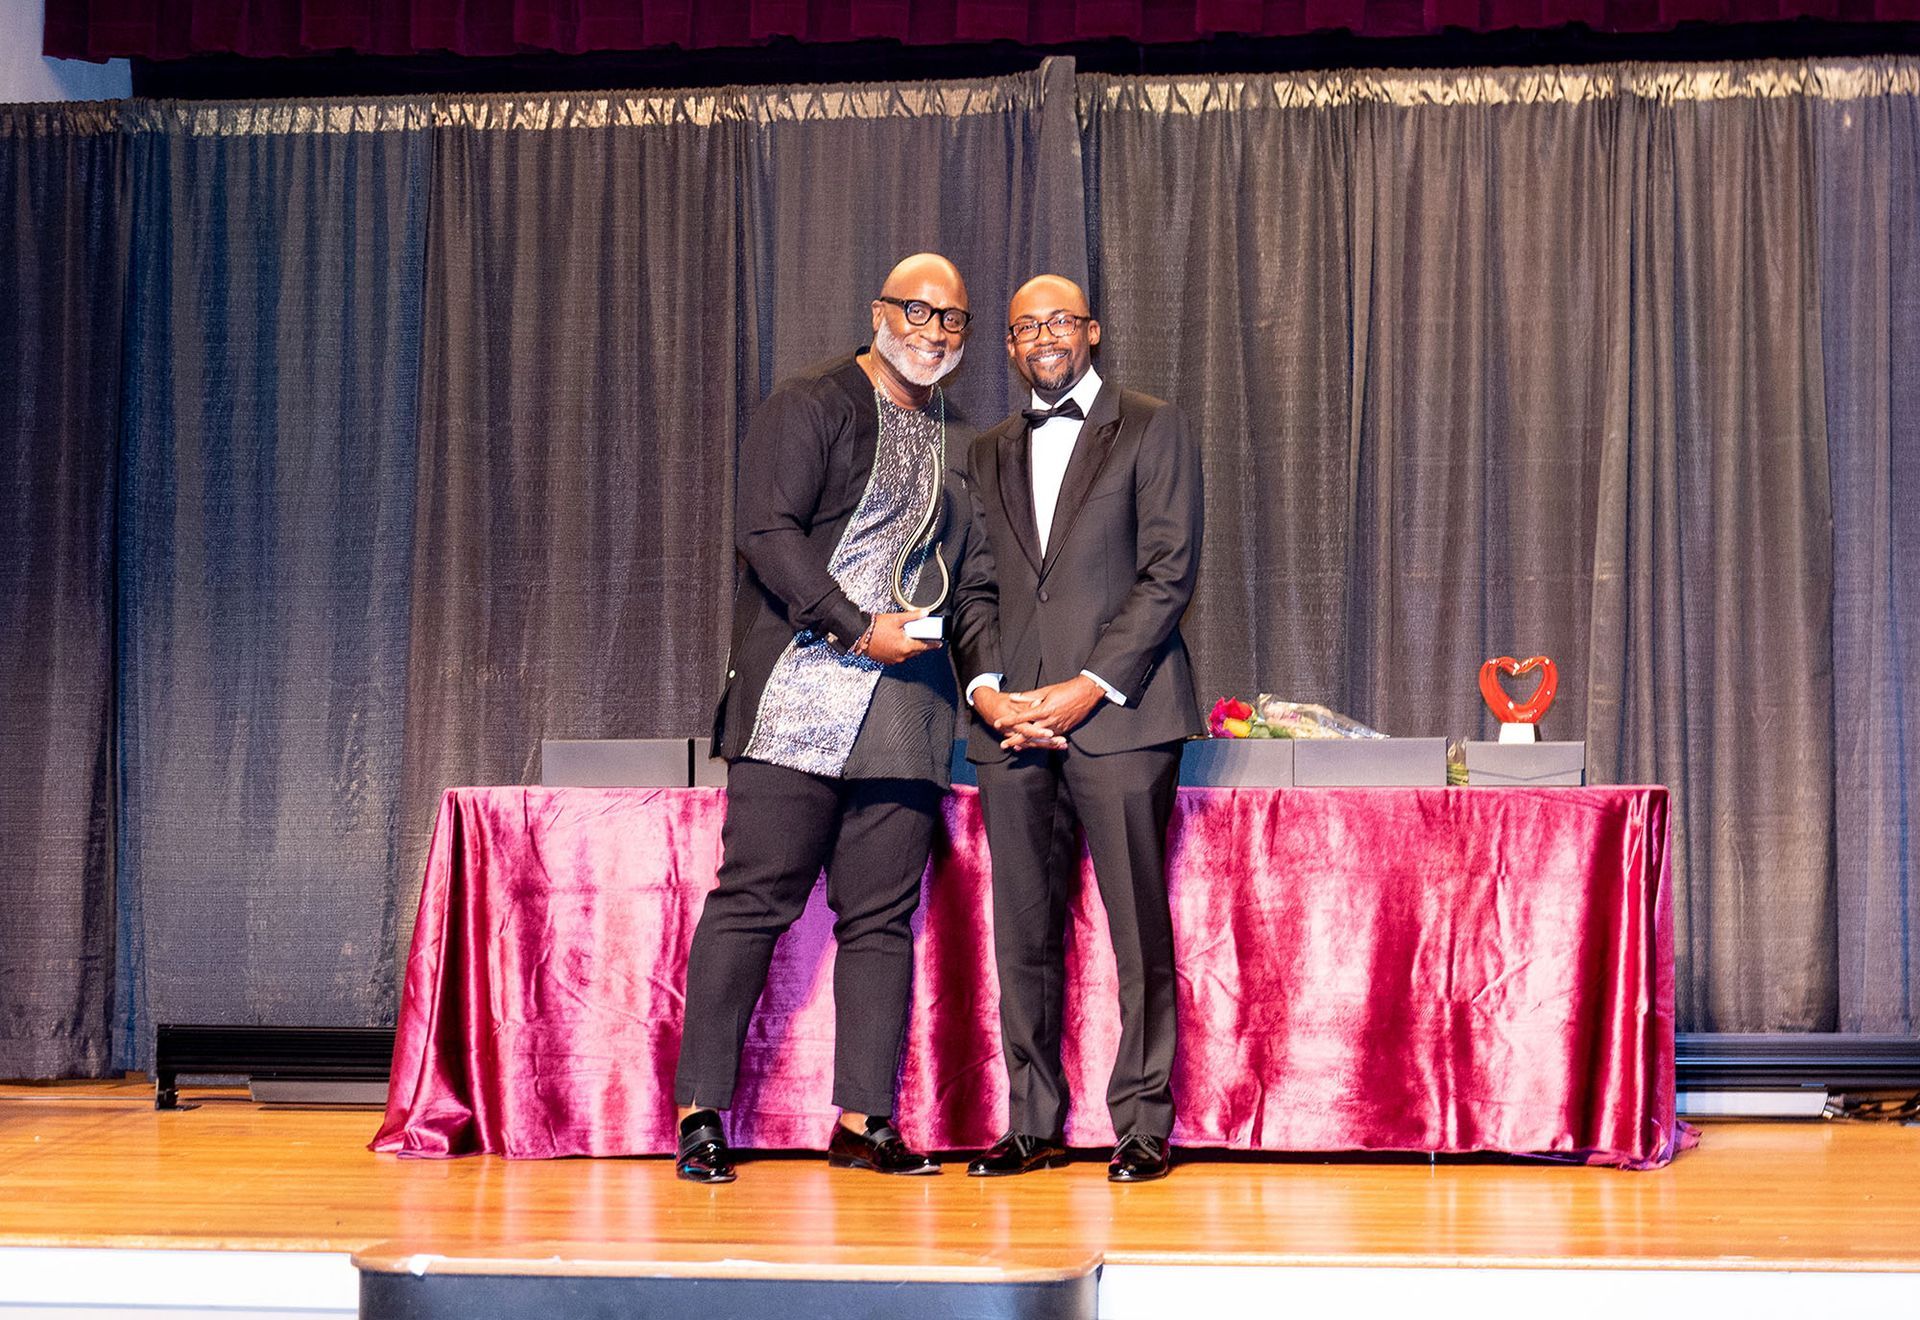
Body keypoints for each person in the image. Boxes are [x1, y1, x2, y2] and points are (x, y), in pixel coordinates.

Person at [673, 254, 974, 1183]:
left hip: (908, 704)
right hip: (799, 693)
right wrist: (853, 626)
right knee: (753, 900)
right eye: (917, 310)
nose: (932, 331)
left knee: (881, 917)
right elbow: (765, 532)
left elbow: (972, 577)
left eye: (952, 319)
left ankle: (863, 1121)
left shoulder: (961, 437)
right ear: (879, 310)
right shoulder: (812, 402)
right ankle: (700, 1113)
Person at [951, 274, 1203, 1183]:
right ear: (1009, 346)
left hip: (1122, 717)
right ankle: (1032, 1122)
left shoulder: (1152, 425)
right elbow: (973, 584)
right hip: (1011, 725)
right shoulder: (985, 449)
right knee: (1020, 933)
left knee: (1137, 928)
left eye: (1059, 321)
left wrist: (1088, 687)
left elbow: (1169, 572)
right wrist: (987, 690)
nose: (1043, 337)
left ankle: (1142, 1122)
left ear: (1092, 331)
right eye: (1025, 327)